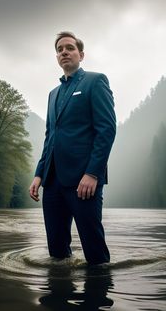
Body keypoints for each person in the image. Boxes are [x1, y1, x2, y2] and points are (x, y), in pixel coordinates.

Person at [29, 31, 116, 265]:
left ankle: (97, 294)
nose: (64, 52)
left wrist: (93, 173)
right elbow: (51, 138)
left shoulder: (95, 81)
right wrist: (39, 174)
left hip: (83, 181)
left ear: (81, 54)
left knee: (95, 253)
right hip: (53, 182)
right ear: (57, 57)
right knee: (57, 254)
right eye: (59, 49)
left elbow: (106, 130)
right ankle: (59, 295)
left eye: (69, 48)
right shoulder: (52, 94)